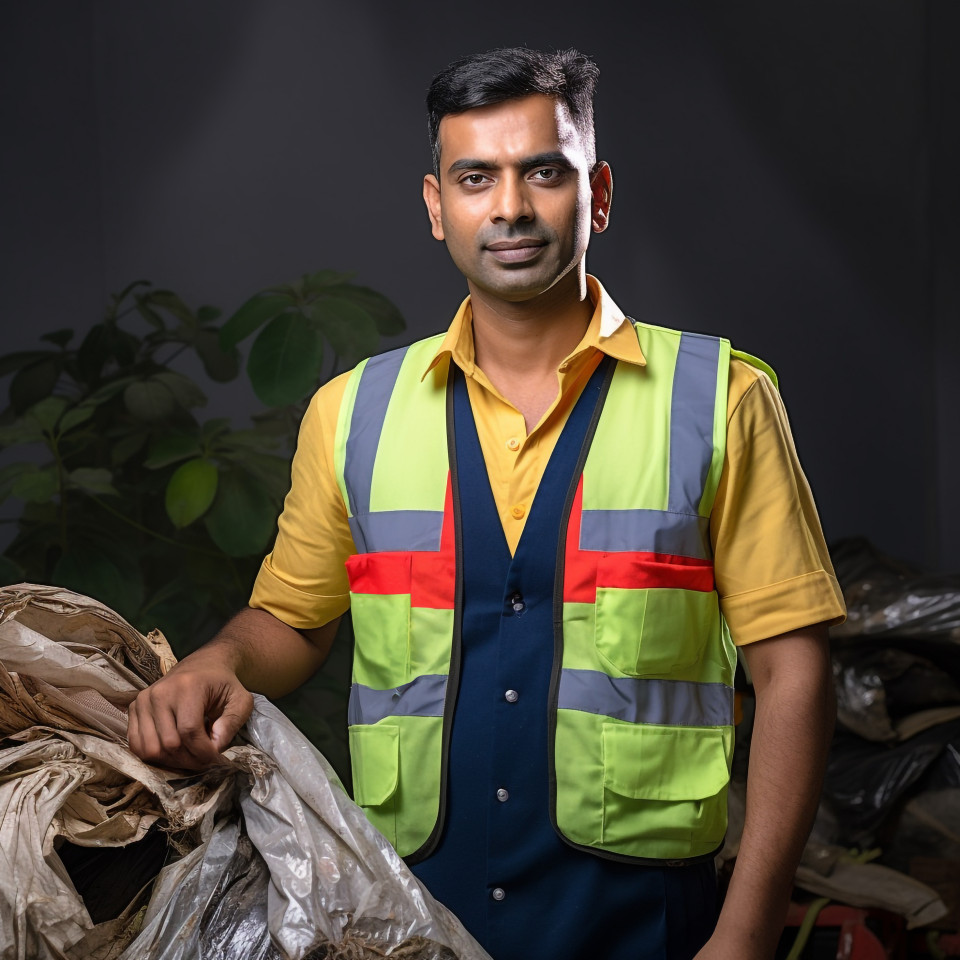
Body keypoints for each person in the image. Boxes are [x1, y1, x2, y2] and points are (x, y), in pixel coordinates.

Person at [128, 47, 845, 960]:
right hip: (407, 910)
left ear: (599, 195)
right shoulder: (353, 414)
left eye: (544, 172)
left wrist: (744, 933)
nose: (509, 207)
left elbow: (794, 674)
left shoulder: (720, 400)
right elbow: (294, 620)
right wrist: (219, 659)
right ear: (438, 207)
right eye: (476, 177)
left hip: (646, 919)